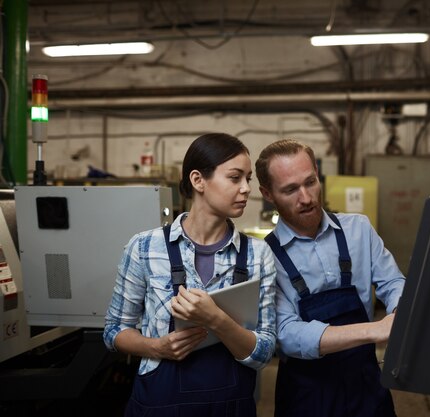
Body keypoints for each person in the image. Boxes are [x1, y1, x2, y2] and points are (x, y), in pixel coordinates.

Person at [104, 133, 276, 417]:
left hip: (230, 406)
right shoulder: (145, 247)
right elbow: (114, 331)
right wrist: (157, 347)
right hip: (160, 403)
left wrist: (216, 319)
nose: (246, 189)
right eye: (235, 178)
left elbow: (263, 352)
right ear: (198, 181)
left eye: (249, 179)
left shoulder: (258, 255)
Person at [255, 139, 406, 417]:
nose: (306, 198)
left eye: (310, 182)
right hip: (307, 396)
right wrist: (374, 330)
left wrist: (399, 312)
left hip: (367, 386)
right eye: (290, 190)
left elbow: (394, 283)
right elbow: (287, 334)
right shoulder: (264, 256)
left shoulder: (359, 229)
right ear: (268, 194)